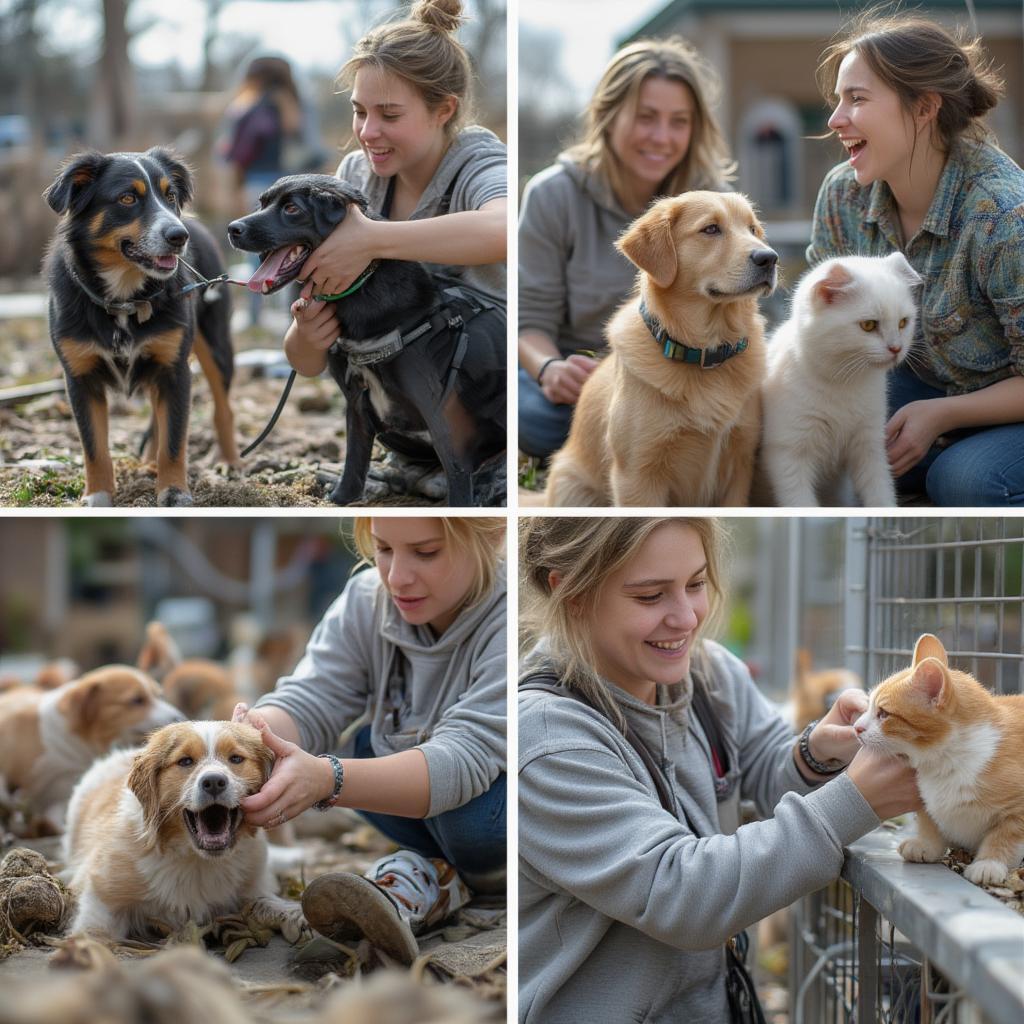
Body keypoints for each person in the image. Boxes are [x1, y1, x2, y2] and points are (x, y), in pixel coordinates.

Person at [517, 517, 921, 1023]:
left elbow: (767, 774)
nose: (686, 618)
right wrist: (853, 803)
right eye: (650, 596)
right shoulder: (548, 740)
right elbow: (683, 894)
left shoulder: (709, 674)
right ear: (571, 593)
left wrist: (819, 752)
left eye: (696, 583)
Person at [233, 515, 506, 963]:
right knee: (365, 745)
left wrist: (328, 779)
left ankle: (472, 881)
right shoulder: (365, 598)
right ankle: (430, 877)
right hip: (414, 805)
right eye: (383, 549)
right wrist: (248, 739)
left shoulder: (510, 617)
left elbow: (464, 758)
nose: (397, 577)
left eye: (426, 552)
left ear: (493, 535)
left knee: (465, 818)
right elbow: (314, 696)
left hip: (492, 816)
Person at [283, 0, 506, 496]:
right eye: (359, 112)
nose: (367, 132)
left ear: (443, 110)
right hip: (401, 394)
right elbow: (306, 362)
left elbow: (501, 228)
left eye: (389, 114)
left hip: (485, 382)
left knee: (436, 319)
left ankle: (484, 465)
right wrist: (306, 333)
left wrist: (373, 239)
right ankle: (411, 459)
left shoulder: (476, 159)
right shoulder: (355, 178)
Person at [807, 12, 1024, 506]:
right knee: (825, 439)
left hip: (1009, 409)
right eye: (837, 100)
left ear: (924, 107)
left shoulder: (1005, 218)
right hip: (920, 383)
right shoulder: (843, 196)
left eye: (856, 99)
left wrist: (941, 417)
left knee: (965, 480)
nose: (835, 119)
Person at [518, 37, 735, 460]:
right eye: (646, 117)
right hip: (582, 385)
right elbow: (529, 323)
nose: (662, 137)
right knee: (535, 420)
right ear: (609, 115)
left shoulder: (715, 201)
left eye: (679, 121)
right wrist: (549, 369)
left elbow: (740, 313)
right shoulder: (552, 195)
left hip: (687, 382)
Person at [222, 55, 307, 325]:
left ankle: (255, 311)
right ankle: (287, 311)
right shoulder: (288, 104)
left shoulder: (250, 105)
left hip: (257, 181)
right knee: (289, 246)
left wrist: (235, 186)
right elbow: (302, 139)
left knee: (252, 244)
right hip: (286, 181)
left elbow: (237, 152)